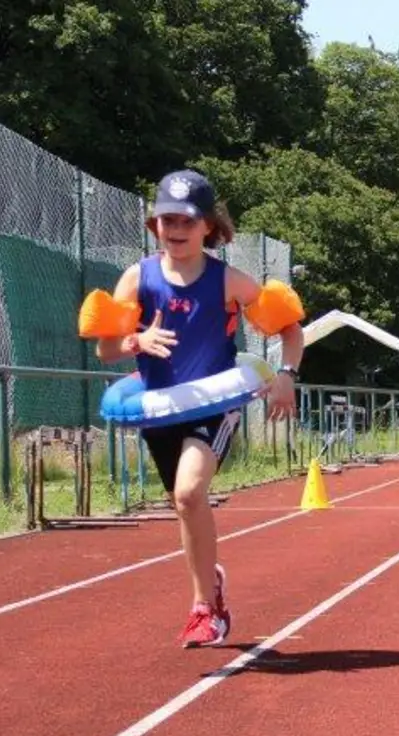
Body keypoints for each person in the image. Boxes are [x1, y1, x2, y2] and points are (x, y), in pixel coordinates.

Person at [91, 170, 303, 646]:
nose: (176, 228)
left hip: (214, 405)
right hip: (159, 410)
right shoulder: (137, 278)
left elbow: (290, 328)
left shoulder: (227, 280)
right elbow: (105, 352)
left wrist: (286, 376)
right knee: (185, 505)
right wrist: (137, 339)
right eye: (166, 219)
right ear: (154, 226)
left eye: (186, 219)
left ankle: (204, 608)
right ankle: (213, 583)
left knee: (189, 494)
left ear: (208, 225)